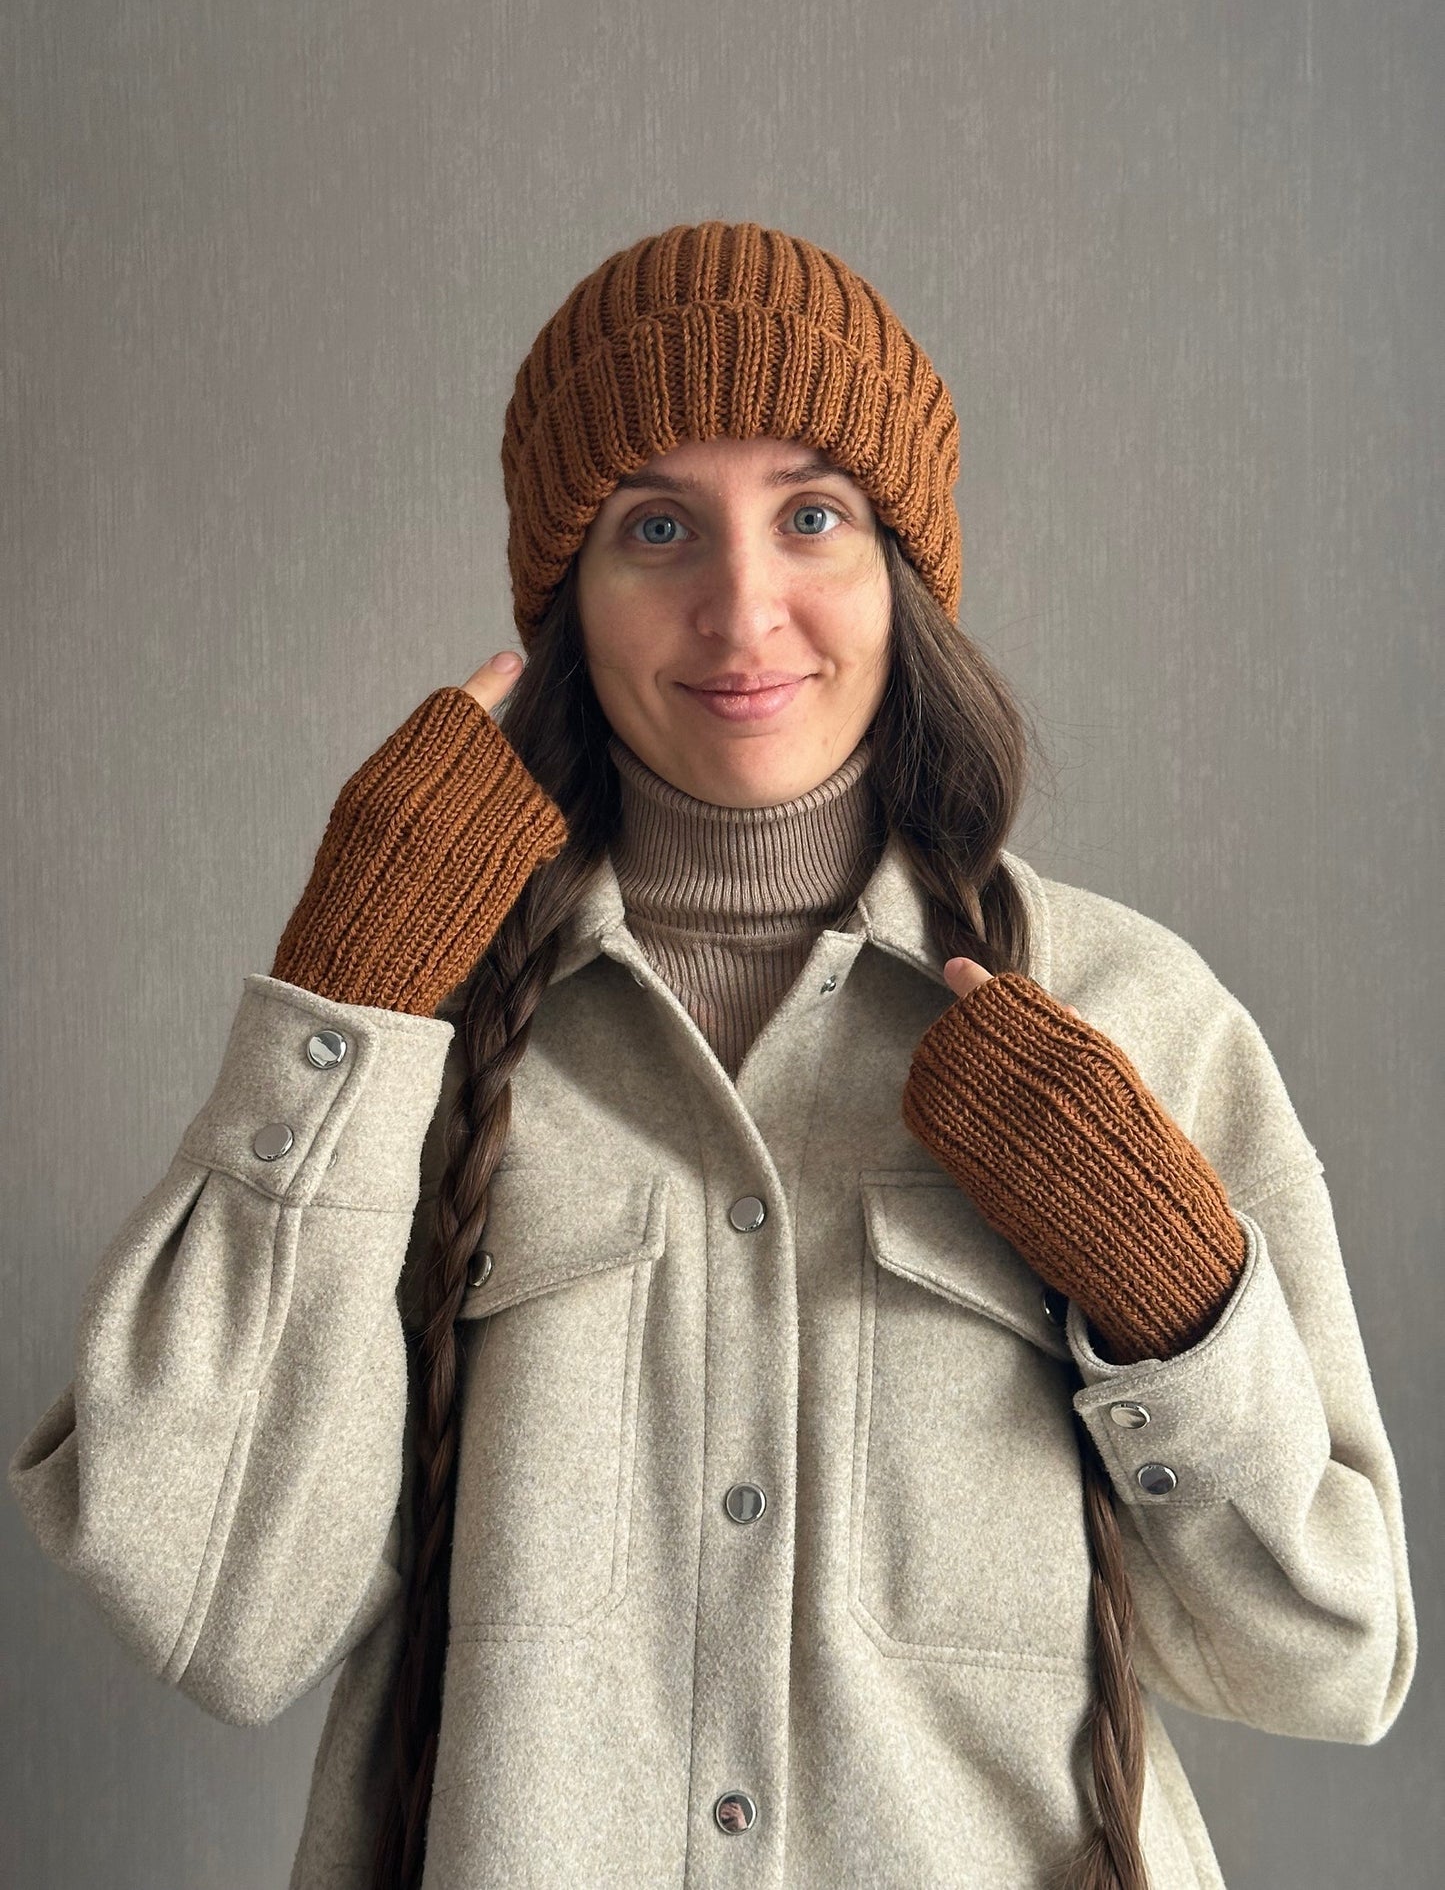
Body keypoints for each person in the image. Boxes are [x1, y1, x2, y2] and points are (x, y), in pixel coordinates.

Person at [9, 220, 1416, 1890]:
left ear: (901, 567)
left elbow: (1327, 1656)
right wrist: (346, 997)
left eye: (811, 515)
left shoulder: (1134, 1010)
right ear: (563, 595)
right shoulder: (416, 1027)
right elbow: (217, 1600)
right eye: (654, 525)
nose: (740, 604)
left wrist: (1169, 1301)